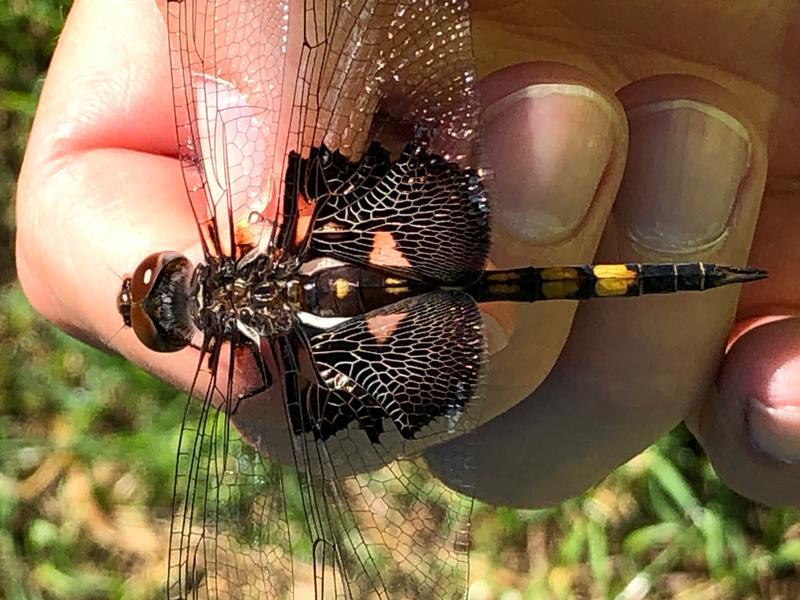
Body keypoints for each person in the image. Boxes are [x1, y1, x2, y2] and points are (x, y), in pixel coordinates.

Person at [16, 0, 800, 508]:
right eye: (162, 300)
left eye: (163, 286)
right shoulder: (253, 232)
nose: (161, 289)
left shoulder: (256, 316)